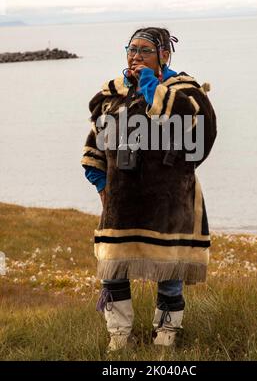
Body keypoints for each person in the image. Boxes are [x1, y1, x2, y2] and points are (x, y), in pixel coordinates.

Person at [81, 27, 217, 352]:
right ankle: (119, 335)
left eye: (144, 50)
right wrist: (102, 184)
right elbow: (95, 145)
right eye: (131, 49)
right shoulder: (112, 94)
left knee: (168, 270)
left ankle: (166, 336)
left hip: (169, 203)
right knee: (113, 270)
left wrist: (154, 90)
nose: (135, 56)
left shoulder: (184, 91)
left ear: (165, 55)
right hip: (121, 203)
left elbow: (202, 134)